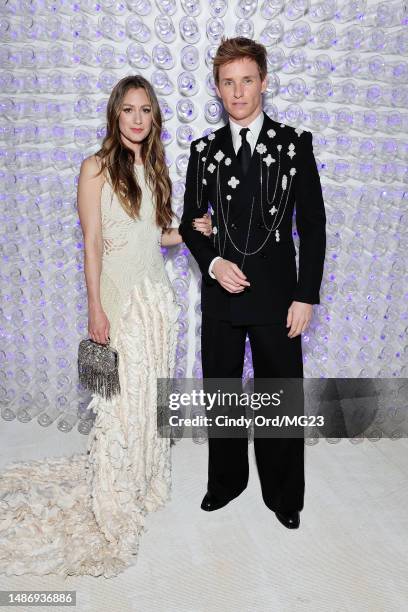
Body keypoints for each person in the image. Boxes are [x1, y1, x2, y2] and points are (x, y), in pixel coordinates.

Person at [0, 75, 212, 578]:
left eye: (145, 111)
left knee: (147, 397)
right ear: (115, 115)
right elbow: (93, 245)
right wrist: (96, 308)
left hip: (157, 300)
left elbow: (153, 237)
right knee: (120, 402)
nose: (137, 119)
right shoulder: (94, 168)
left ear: (153, 118)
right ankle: (115, 490)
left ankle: (139, 479)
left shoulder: (154, 167)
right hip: (119, 300)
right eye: (128, 110)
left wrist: (188, 230)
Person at [179, 37, 326, 529]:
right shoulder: (204, 151)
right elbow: (188, 222)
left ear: (263, 82)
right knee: (221, 394)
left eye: (247, 80)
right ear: (218, 90)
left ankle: (284, 495)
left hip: (279, 297)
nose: (238, 91)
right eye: (228, 82)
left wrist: (306, 294)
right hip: (221, 295)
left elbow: (314, 225)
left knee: (279, 397)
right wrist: (214, 262)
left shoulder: (293, 144)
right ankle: (225, 482)